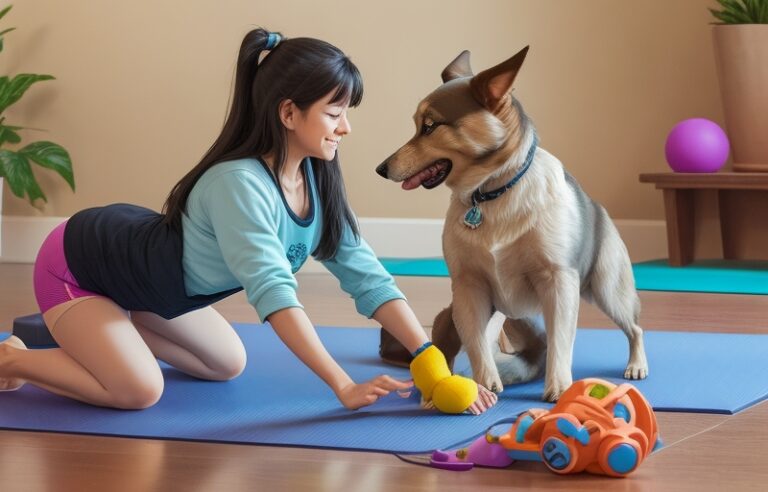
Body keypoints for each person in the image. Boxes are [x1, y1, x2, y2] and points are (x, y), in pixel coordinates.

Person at [0, 28, 497, 414]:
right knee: (139, 390)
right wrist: (341, 385)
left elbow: (367, 277)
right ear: (288, 113)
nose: (346, 127)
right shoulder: (238, 184)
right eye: (335, 113)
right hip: (76, 266)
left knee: (226, 364)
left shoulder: (317, 180)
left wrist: (428, 360)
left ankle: (108, 330)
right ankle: (15, 359)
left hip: (143, 282)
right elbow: (275, 293)